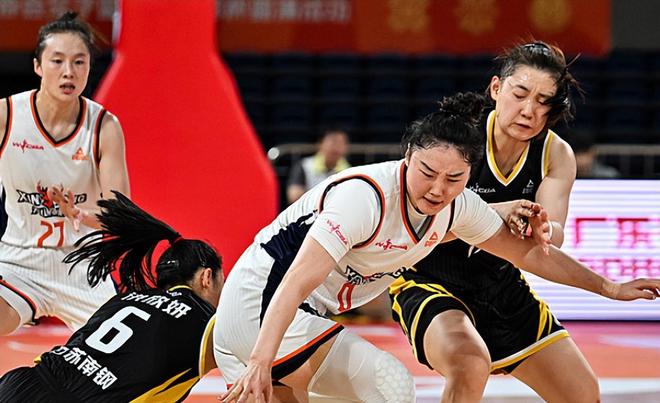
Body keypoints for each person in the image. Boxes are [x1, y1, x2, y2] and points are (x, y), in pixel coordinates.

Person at [215, 92, 660, 403]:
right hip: (263, 305)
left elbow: (527, 253)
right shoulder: (364, 198)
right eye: (427, 172)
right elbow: (294, 281)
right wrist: (260, 360)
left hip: (297, 316)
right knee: (389, 387)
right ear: (407, 156)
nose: (437, 189)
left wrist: (609, 288)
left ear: (469, 175)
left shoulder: (458, 207)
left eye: (454, 179)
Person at [387, 41, 621, 403]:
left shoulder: (556, 153)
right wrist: (497, 212)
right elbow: (421, 221)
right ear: (496, 88)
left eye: (543, 101)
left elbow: (552, 237)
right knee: (469, 364)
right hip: (428, 277)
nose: (528, 110)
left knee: (583, 394)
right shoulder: (460, 137)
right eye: (520, 94)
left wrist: (543, 229)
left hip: (499, 283)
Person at [0, 191, 223, 402]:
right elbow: (240, 349)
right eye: (222, 281)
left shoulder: (125, 299)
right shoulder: (204, 319)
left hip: (23, 383)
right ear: (206, 277)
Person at [0, 12, 130, 334]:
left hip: (83, 265)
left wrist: (81, 215)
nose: (68, 72)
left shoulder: (104, 127)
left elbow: (122, 215)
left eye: (79, 62)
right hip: (20, 260)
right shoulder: (6, 116)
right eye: (57, 61)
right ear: (38, 66)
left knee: (125, 349)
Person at [286, 126, 350, 204]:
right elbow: (293, 196)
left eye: (341, 143)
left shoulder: (349, 171)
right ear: (320, 144)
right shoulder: (304, 166)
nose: (336, 147)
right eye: (333, 142)